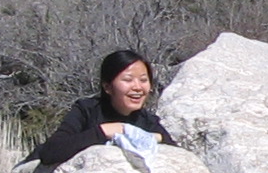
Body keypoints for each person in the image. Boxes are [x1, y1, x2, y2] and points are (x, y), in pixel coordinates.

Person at [26, 49, 173, 166]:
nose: (138, 87)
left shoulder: (147, 121)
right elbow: (51, 152)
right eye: (128, 80)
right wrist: (105, 131)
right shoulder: (87, 110)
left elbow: (174, 151)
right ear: (107, 87)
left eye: (143, 80)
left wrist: (145, 136)